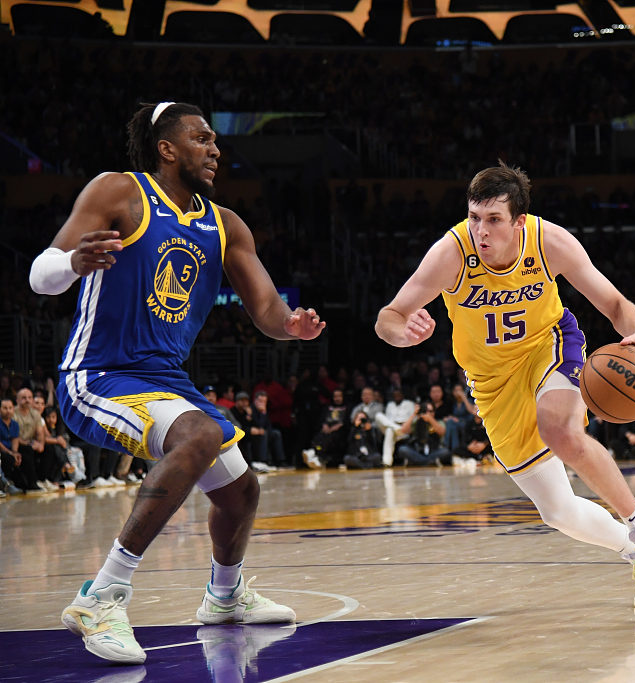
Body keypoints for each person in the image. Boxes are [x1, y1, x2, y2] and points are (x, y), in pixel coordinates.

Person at [29, 102, 324, 664]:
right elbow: (40, 275)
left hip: (167, 383)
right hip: (98, 376)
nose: (215, 149)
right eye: (201, 139)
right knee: (201, 436)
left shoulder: (224, 224)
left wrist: (290, 325)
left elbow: (264, 308)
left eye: (215, 141)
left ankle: (224, 596)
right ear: (167, 149)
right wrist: (72, 263)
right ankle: (103, 596)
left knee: (241, 492)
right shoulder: (119, 191)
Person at [375, 161, 635, 609]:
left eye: (493, 220)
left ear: (519, 221)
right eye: (474, 217)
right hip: (491, 383)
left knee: (560, 430)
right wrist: (401, 332)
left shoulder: (550, 243)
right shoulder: (451, 254)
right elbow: (387, 316)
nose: (480, 230)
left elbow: (616, 303)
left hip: (550, 346)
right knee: (558, 512)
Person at [375, 387, 416, 467]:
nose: (397, 397)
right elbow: (386, 420)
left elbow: (413, 420)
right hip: (393, 427)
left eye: (399, 395)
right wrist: (394, 426)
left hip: (404, 430)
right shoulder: (390, 405)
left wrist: (403, 426)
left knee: (389, 431)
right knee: (378, 415)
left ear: (402, 395)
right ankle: (395, 428)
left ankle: (387, 462)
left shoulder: (409, 404)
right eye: (395, 395)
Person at [0, 397, 24, 495]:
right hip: (2, 450)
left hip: (9, 450)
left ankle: (33, 482)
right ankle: (5, 484)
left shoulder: (15, 424)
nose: (8, 411)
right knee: (7, 458)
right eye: (5, 408)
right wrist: (10, 453)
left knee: (26, 452)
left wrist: (15, 453)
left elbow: (15, 439)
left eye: (10, 408)